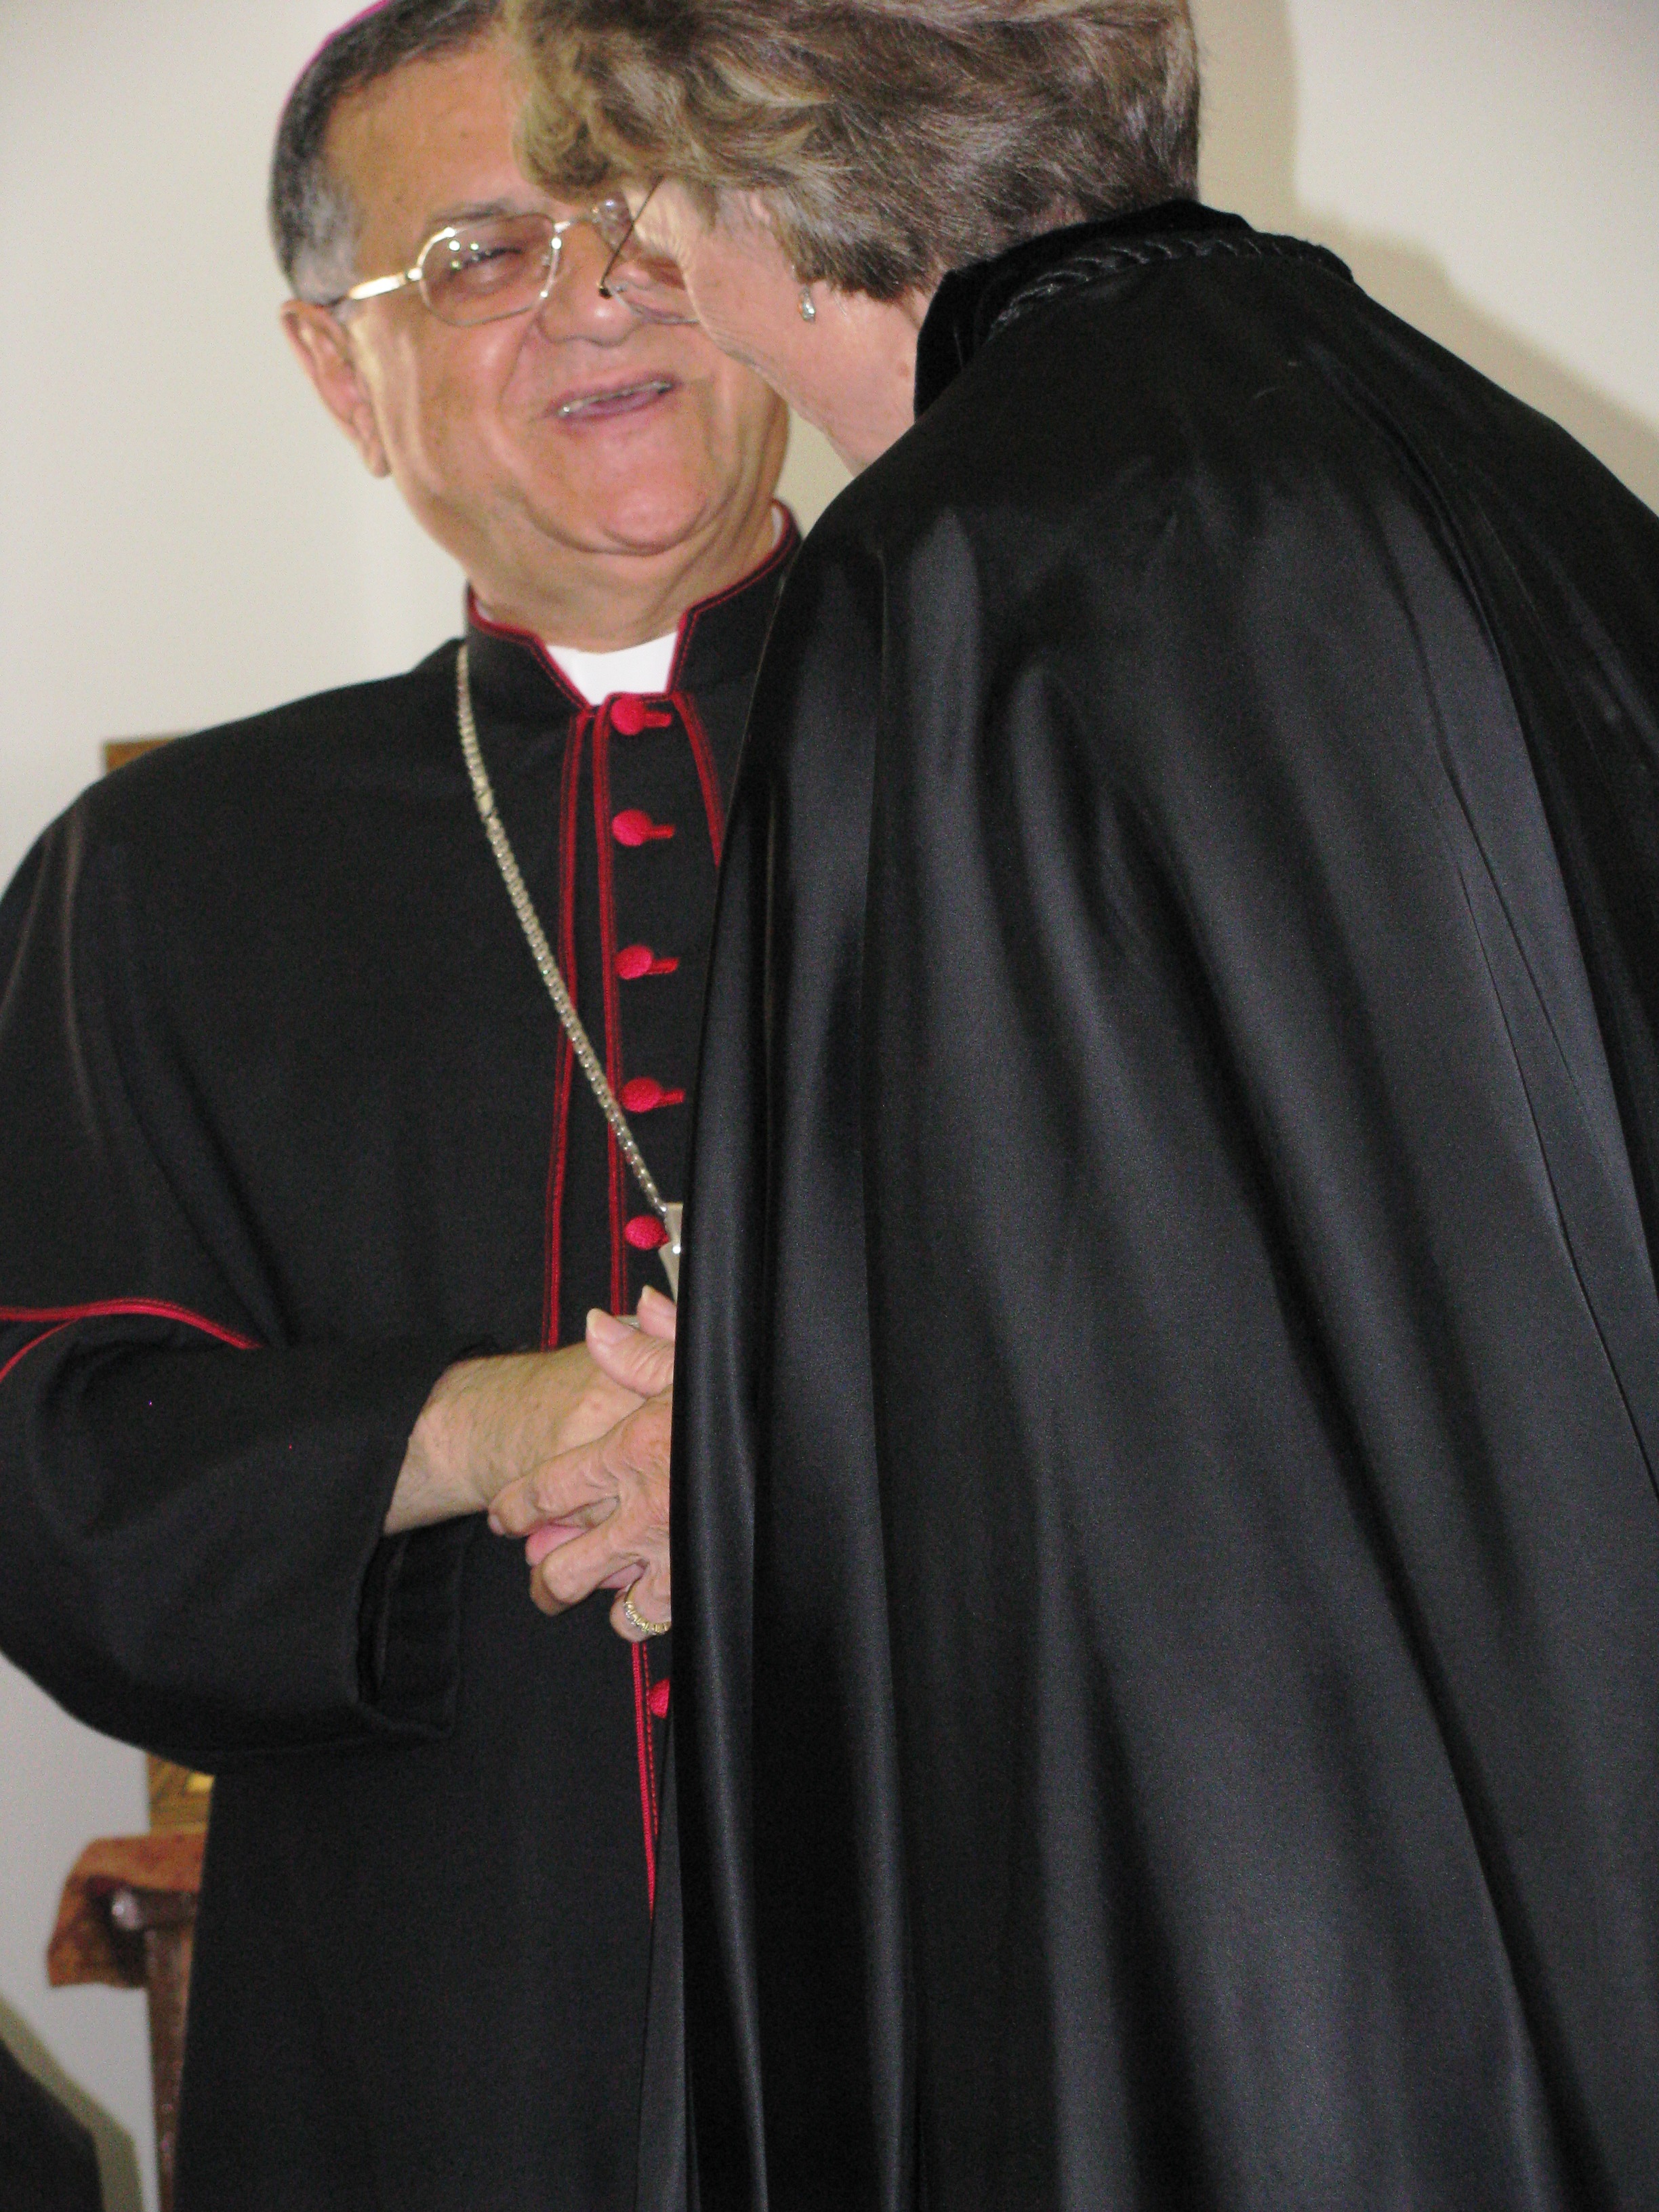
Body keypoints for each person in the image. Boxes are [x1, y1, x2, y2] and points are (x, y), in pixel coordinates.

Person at [505, 0, 1659, 2204]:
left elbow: (1037, 1372)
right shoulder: (1507, 469)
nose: (652, 266)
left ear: (774, 193)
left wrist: (744, 1447)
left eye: (644, 198)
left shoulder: (956, 567)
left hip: (1276, 1901)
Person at [0, 1, 792, 2204]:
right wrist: (479, 1429)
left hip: (1013, 1994)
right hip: (433, 2053)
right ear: (341, 377)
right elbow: (50, 1472)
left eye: (640, 211)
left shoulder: (1051, 752)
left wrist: (816, 1444)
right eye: (481, 253)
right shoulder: (164, 878)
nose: (597, 293)